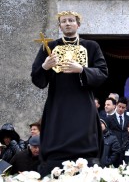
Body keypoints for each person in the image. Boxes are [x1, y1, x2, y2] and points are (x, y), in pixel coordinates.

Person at [31, 11, 108, 177]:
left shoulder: (91, 46)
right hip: (58, 103)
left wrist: (81, 70)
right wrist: (45, 67)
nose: (67, 23)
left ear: (77, 24)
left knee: (85, 136)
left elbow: (102, 73)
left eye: (71, 20)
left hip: (83, 103)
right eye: (63, 21)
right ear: (59, 26)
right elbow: (38, 81)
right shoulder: (49, 47)